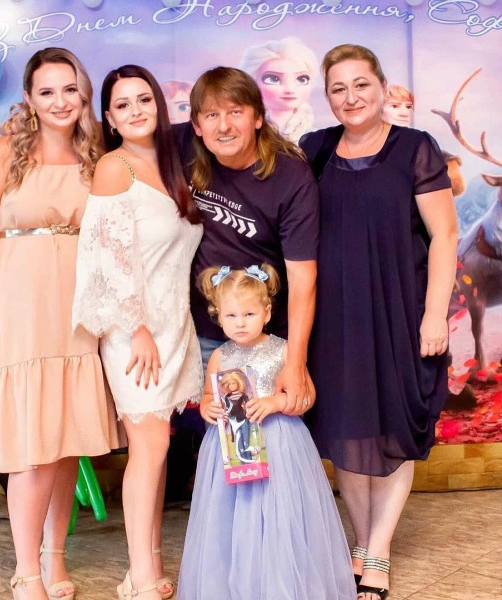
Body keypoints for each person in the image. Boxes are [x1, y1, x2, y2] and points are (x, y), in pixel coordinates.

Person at [299, 44, 458, 600]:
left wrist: (434, 315)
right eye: (338, 88)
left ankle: (379, 552)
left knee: (393, 429)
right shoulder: (314, 149)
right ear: (327, 96)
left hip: (400, 314)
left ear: (382, 87)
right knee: (348, 431)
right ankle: (362, 543)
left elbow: (444, 236)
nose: (351, 97)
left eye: (361, 84)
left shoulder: (415, 148)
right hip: (334, 321)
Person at [0, 48, 121, 600]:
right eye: (47, 91)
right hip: (18, 307)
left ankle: (55, 560)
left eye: (70, 89)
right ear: (30, 98)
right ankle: (25, 569)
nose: (60, 101)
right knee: (32, 445)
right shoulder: (5, 152)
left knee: (66, 439)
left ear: (84, 93)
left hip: (77, 309)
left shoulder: (97, 155)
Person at [72, 64, 203, 600]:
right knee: (147, 447)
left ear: (158, 105)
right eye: (122, 104)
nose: (135, 111)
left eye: (143, 99)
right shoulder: (113, 167)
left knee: (158, 446)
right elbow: (107, 260)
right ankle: (139, 575)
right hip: (134, 332)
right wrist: (138, 329)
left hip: (174, 324)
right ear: (109, 117)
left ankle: (147, 565)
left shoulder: (174, 164)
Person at [177, 264, 357, 600]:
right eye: (231, 315)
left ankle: (282, 584)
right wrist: (208, 408)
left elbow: (307, 397)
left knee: (279, 514)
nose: (240, 323)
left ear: (267, 312)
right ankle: (240, 586)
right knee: (235, 517)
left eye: (249, 314)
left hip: (279, 446)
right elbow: (208, 396)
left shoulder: (284, 351)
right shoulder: (219, 356)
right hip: (233, 449)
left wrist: (275, 402)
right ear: (218, 316)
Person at [173, 66, 319, 417]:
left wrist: (295, 362)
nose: (223, 126)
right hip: (204, 334)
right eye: (212, 115)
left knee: (270, 433)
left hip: (266, 339)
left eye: (235, 112)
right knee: (220, 439)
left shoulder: (290, 176)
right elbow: (126, 134)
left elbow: (303, 278)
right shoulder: (182, 145)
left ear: (258, 118)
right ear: (196, 125)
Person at [240, 37, 318, 142]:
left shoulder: (316, 139)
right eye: (273, 79)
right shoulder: (246, 134)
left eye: (301, 79)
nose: (289, 89)